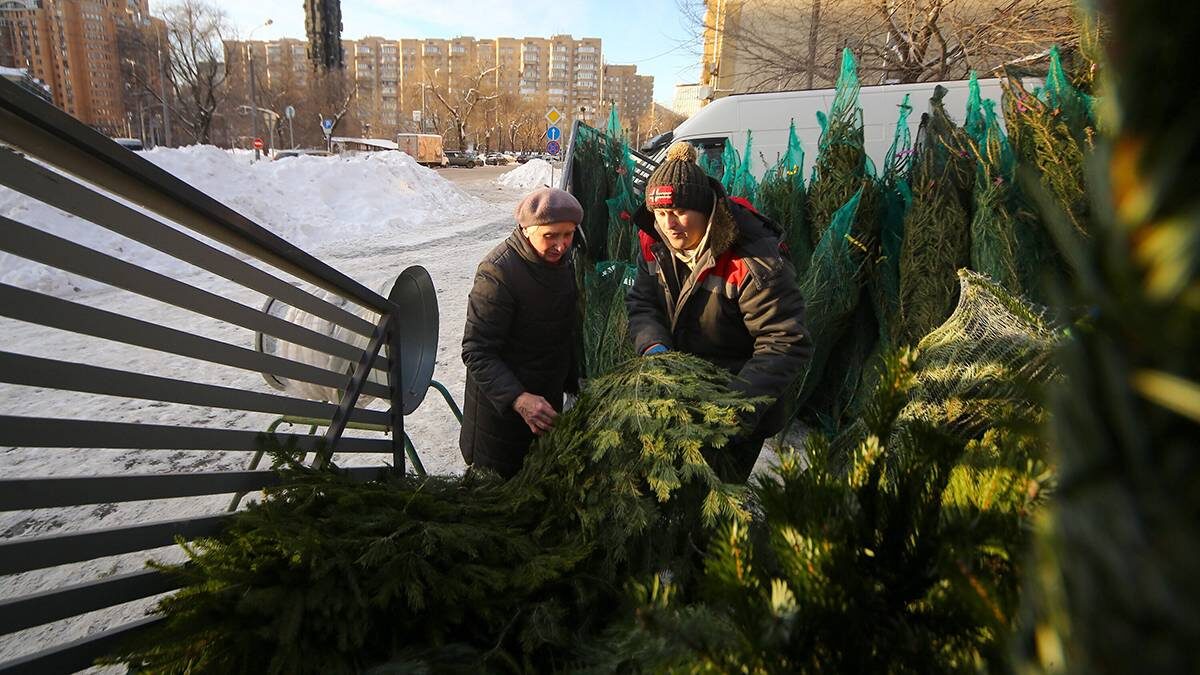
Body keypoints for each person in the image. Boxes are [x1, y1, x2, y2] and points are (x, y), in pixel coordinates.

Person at [626, 142, 812, 483]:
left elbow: (783, 342)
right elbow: (642, 302)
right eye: (660, 213)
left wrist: (731, 410)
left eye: (680, 211)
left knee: (718, 497)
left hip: (736, 407)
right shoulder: (652, 242)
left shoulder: (754, 260)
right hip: (680, 399)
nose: (669, 224)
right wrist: (654, 348)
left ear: (706, 208)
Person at [460, 186, 582, 478]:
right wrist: (518, 399)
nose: (561, 245)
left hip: (545, 405)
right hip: (501, 419)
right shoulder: (498, 272)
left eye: (568, 234)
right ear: (527, 230)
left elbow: (559, 329)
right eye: (550, 236)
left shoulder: (563, 262)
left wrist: (575, 381)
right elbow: (476, 350)